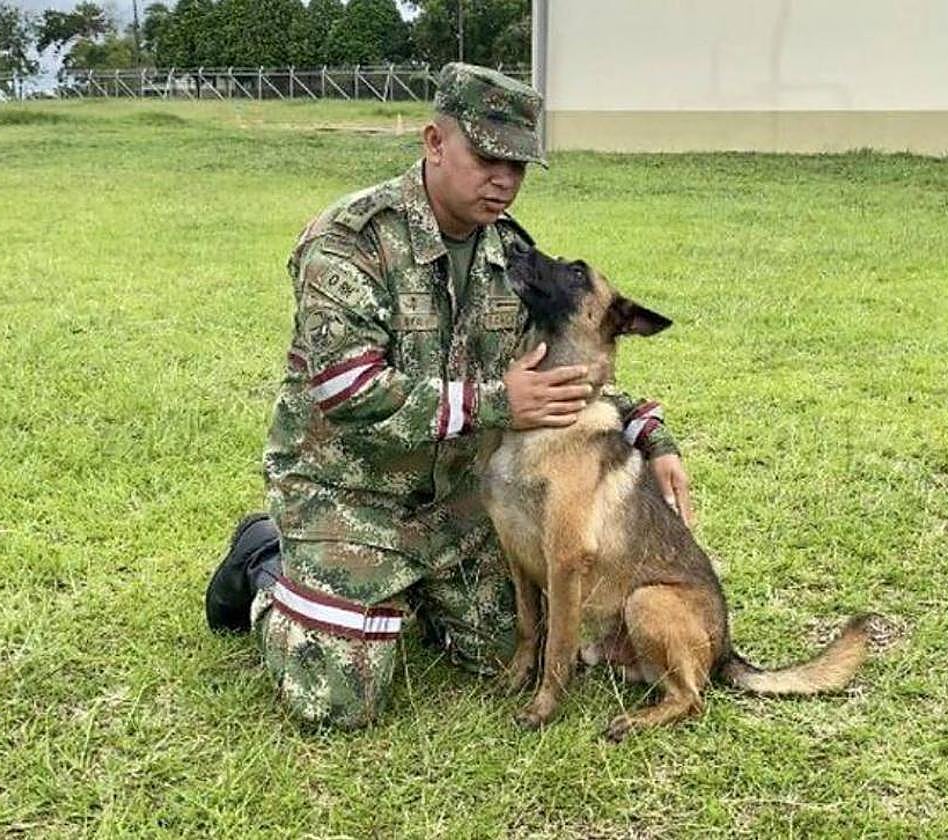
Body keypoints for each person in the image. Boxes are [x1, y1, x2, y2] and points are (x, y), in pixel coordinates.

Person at [206, 63, 694, 730]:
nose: (505, 180)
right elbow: (351, 391)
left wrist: (650, 437)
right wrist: (498, 402)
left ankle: (400, 593)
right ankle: (263, 559)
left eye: (519, 165)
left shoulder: (513, 257)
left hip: (459, 505)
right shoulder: (351, 240)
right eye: (489, 156)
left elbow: (564, 373)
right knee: (337, 700)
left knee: (518, 644)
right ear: (434, 141)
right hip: (350, 495)